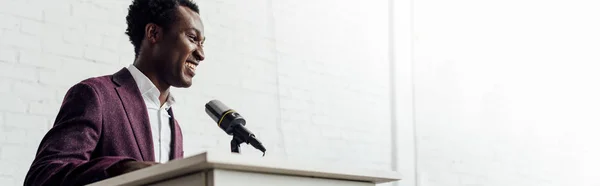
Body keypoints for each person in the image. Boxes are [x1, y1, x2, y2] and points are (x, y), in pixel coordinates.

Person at [24, 0, 205, 185]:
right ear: (154, 33)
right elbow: (43, 176)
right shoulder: (95, 96)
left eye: (202, 43)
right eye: (192, 38)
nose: (201, 54)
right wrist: (121, 169)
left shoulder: (174, 126)